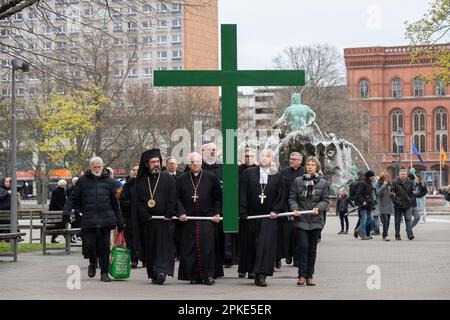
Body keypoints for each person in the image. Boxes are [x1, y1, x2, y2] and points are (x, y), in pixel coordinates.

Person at [63, 156, 124, 282]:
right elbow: (72, 198)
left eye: (99, 167)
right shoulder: (82, 181)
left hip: (106, 218)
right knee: (90, 245)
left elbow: (115, 204)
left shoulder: (110, 182)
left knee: (105, 246)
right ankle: (92, 262)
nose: (97, 169)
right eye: (94, 167)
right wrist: (66, 213)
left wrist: (120, 221)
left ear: (102, 166)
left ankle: (104, 273)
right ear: (91, 167)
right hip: (89, 218)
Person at [239, 149, 285, 287]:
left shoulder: (277, 176)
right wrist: (243, 211)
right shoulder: (249, 173)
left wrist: (276, 210)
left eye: (268, 156)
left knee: (265, 246)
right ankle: (253, 270)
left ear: (272, 159)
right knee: (252, 245)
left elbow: (281, 195)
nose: (265, 158)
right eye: (263, 156)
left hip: (268, 217)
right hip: (252, 216)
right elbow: (242, 192)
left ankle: (262, 275)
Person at [131, 149, 177, 284]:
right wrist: (145, 214)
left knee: (164, 247)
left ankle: (162, 271)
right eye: (153, 162)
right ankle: (154, 273)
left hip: (165, 221)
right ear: (147, 164)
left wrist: (169, 212)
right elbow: (137, 201)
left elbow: (173, 197)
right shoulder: (140, 181)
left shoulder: (167, 178)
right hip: (149, 222)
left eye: (158, 161)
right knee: (151, 248)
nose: (156, 164)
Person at [176, 152, 222, 285]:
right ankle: (193, 276)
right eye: (192, 162)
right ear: (189, 164)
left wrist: (216, 213)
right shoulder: (182, 179)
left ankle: (208, 275)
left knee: (207, 247)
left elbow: (218, 198)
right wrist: (181, 212)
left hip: (206, 218)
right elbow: (177, 198)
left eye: (197, 161)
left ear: (201, 163)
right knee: (190, 248)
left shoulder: (211, 177)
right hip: (188, 219)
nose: (195, 164)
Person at [289, 156, 330, 286]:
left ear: (317, 167)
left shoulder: (323, 183)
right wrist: (295, 208)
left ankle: (309, 276)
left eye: (313, 164)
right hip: (301, 219)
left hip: (316, 221)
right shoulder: (298, 181)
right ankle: (301, 275)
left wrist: (318, 207)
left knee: (312, 249)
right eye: (308, 164)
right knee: (303, 247)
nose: (310, 166)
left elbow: (325, 200)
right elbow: (292, 198)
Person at [278, 151, 304, 268]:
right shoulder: (283, 172)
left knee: (298, 234)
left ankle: (296, 257)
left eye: (294, 159)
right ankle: (285, 255)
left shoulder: (304, 172)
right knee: (286, 234)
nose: (291, 160)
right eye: (290, 158)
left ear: (300, 161)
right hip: (286, 207)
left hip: (301, 207)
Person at [119, 163, 140, 269]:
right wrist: (132, 204)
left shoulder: (146, 184)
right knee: (131, 238)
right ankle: (134, 259)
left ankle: (145, 258)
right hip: (130, 216)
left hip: (142, 216)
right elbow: (122, 200)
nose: (135, 172)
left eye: (138, 170)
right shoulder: (127, 185)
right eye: (134, 170)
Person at [391, 169, 415, 241]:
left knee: (408, 219)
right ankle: (397, 235)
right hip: (398, 205)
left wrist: (411, 200)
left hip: (407, 204)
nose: (403, 176)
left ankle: (410, 234)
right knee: (397, 221)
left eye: (405, 174)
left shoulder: (410, 182)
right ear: (399, 175)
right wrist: (395, 201)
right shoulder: (394, 182)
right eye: (402, 174)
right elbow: (392, 193)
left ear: (406, 175)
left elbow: (412, 193)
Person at [355, 170, 376, 240]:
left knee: (370, 220)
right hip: (363, 205)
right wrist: (363, 201)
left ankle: (358, 230)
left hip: (368, 204)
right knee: (364, 219)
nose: (373, 177)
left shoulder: (370, 183)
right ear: (369, 176)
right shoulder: (362, 183)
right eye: (372, 176)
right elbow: (358, 194)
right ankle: (363, 235)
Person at [376, 172, 395, 241]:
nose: (387, 179)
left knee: (388, 222)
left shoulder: (390, 184)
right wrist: (383, 185)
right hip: (382, 205)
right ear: (383, 178)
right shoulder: (379, 184)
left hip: (389, 205)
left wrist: (392, 194)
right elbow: (378, 193)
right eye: (386, 177)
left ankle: (384, 234)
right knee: (385, 221)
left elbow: (392, 193)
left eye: (388, 177)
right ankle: (385, 235)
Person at [49, 179, 68, 244]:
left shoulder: (56, 191)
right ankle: (67, 238)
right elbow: (57, 202)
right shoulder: (63, 192)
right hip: (57, 212)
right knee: (61, 224)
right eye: (65, 185)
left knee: (61, 224)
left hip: (55, 212)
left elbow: (54, 202)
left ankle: (54, 239)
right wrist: (63, 209)